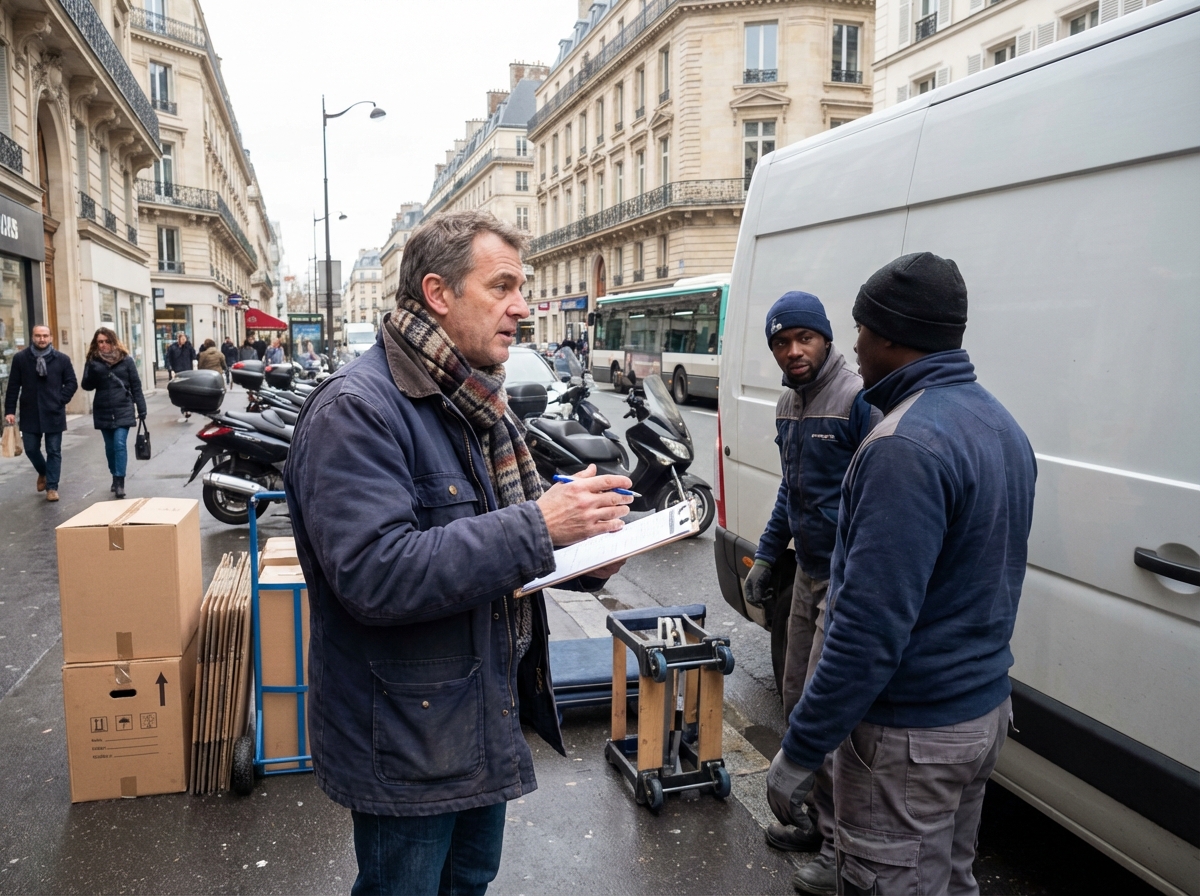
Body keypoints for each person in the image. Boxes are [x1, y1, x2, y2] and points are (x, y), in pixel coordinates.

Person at [283, 210, 633, 896]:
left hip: (479, 714)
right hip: (408, 737)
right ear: (438, 293)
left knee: (468, 881)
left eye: (521, 288)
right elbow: (376, 574)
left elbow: (496, 549)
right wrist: (541, 526)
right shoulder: (356, 409)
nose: (522, 307)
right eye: (502, 286)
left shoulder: (474, 400)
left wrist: (582, 558)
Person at [766, 253, 1036, 896]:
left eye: (860, 329)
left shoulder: (902, 446)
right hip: (980, 713)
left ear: (890, 335)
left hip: (912, 734)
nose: (855, 346)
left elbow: (866, 630)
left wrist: (801, 749)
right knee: (949, 879)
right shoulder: (1001, 423)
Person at [742, 292, 879, 887]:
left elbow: (878, 494)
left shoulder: (857, 399)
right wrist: (768, 554)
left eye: (804, 338)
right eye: (781, 342)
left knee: (830, 713)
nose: (793, 351)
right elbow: (790, 490)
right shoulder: (787, 404)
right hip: (807, 572)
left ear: (826, 338)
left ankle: (840, 849)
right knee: (797, 696)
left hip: (845, 579)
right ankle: (818, 824)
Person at [3, 324, 77, 502]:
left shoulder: (62, 359)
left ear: (50, 338)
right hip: (30, 412)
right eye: (38, 336)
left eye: (45, 336)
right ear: (32, 337)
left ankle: (52, 487)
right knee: (30, 449)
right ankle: (43, 472)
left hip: (54, 412)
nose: (41, 339)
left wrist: (60, 400)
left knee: (54, 451)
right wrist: (10, 411)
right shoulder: (21, 358)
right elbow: (13, 386)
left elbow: (72, 383)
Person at [81, 327, 147, 499]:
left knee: (119, 444)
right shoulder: (93, 361)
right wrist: (91, 370)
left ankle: (119, 482)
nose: (103, 345)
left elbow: (136, 385)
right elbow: (86, 386)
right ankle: (114, 473)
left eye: (106, 341)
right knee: (110, 448)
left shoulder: (126, 360)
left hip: (123, 407)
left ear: (113, 341)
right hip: (103, 408)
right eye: (100, 342)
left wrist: (142, 408)